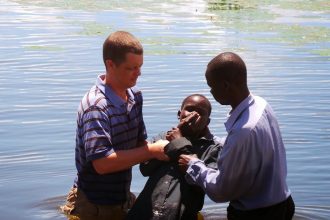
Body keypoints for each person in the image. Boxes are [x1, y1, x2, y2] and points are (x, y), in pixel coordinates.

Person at [61, 31, 169, 220]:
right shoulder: (96, 106)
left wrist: (168, 147)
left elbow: (139, 146)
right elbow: (102, 164)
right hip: (93, 205)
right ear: (110, 65)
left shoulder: (135, 96)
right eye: (131, 68)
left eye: (140, 66)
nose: (139, 73)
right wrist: (152, 151)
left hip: (122, 197)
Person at [178, 52, 295, 220]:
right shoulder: (261, 104)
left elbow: (221, 191)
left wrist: (193, 165)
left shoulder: (243, 131)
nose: (210, 92)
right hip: (283, 203)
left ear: (225, 86)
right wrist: (210, 138)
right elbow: (249, 150)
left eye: (212, 86)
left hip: (256, 214)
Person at [126, 94, 222, 220]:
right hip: (144, 213)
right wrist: (171, 144)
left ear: (207, 122)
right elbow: (145, 169)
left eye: (200, 113)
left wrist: (179, 143)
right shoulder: (163, 138)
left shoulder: (213, 148)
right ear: (179, 114)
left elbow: (204, 185)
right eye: (190, 109)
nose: (193, 115)